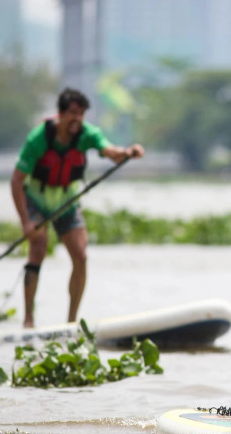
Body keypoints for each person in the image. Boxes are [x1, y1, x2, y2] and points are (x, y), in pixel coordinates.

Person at [10, 88, 144, 328]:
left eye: (81, 114)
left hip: (67, 200)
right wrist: (26, 222)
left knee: (81, 256)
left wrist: (127, 152)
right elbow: (17, 180)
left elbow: (110, 151)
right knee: (38, 247)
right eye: (72, 113)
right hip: (37, 199)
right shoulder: (39, 138)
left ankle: (70, 323)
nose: (77, 119)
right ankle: (28, 320)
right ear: (60, 114)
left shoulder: (87, 134)